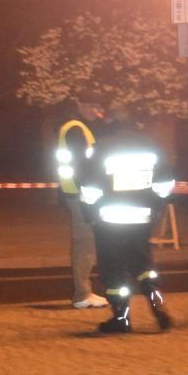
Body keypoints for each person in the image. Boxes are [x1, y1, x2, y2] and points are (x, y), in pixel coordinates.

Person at [76, 109, 175, 333]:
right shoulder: (151, 146)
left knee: (113, 269)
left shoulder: (101, 148)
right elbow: (165, 183)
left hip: (110, 219)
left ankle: (121, 318)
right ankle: (157, 303)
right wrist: (157, 206)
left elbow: (89, 186)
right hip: (142, 217)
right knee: (143, 264)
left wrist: (89, 213)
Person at [55, 91, 109, 309]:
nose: (96, 111)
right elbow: (83, 164)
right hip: (80, 192)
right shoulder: (76, 128)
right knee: (85, 242)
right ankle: (82, 294)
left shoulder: (74, 127)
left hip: (75, 190)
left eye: (99, 107)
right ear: (79, 105)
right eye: (91, 106)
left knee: (85, 241)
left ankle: (84, 291)